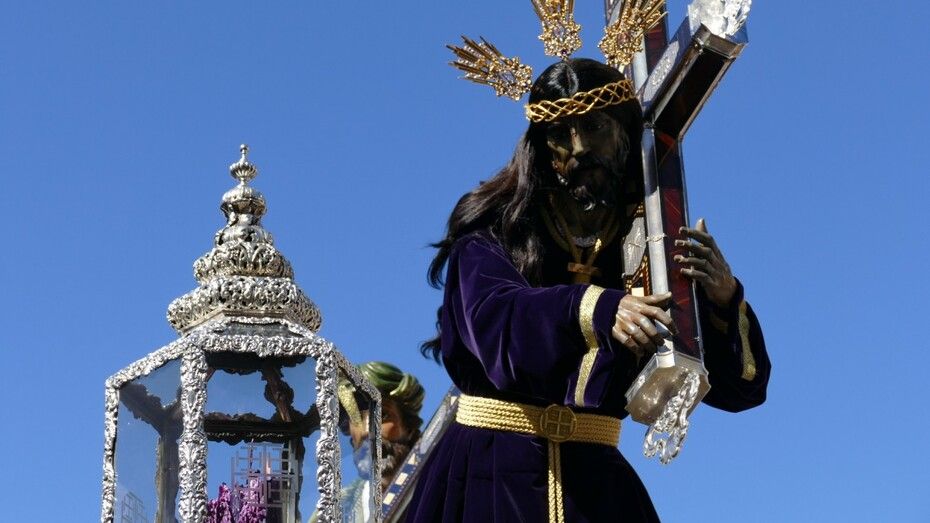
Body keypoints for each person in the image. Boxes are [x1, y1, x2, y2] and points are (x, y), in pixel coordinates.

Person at [405, 58, 771, 522]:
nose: (578, 147)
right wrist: (597, 309)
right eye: (560, 133)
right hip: (489, 472)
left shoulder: (652, 243)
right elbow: (495, 320)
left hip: (597, 485)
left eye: (594, 127)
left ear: (623, 131)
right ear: (541, 146)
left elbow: (739, 391)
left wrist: (722, 299)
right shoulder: (493, 231)